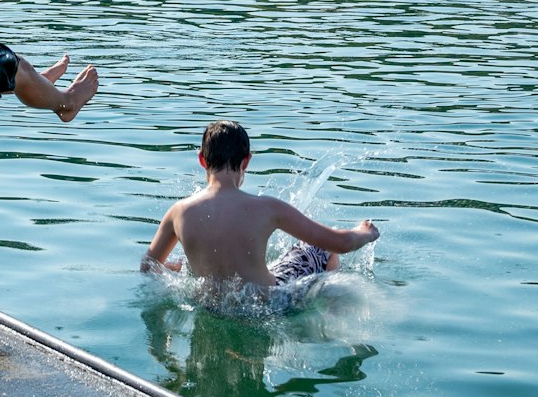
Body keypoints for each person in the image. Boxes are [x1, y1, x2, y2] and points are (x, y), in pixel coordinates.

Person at [143, 121, 378, 289]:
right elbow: (341, 243)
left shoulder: (179, 212)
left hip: (210, 307)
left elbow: (148, 266)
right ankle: (330, 311)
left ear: (202, 159)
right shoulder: (267, 208)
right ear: (246, 161)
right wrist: (364, 233)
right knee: (320, 249)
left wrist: (179, 269)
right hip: (268, 306)